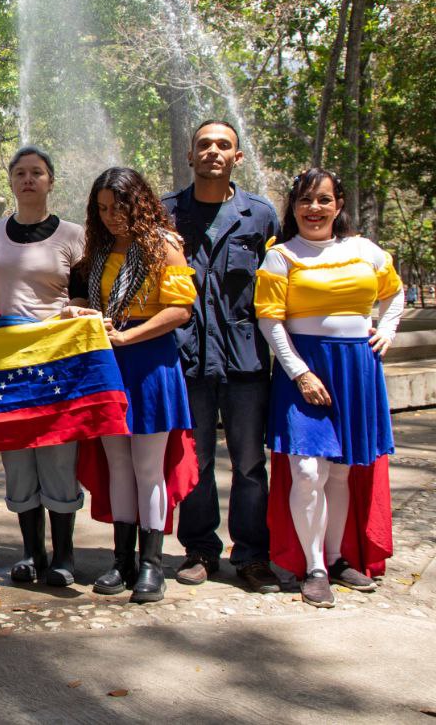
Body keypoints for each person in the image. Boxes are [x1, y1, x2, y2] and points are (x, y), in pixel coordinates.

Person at [256, 168, 402, 608]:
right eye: (304, 200)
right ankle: (314, 566)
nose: (313, 208)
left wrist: (388, 330)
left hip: (357, 368)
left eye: (323, 200)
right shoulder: (281, 255)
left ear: (339, 204)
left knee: (340, 471)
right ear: (293, 207)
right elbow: (270, 320)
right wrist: (299, 371)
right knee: (306, 471)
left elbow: (393, 293)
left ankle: (339, 558)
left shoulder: (365, 250)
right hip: (304, 370)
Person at [63, 167, 198, 603]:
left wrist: (127, 335)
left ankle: (152, 564)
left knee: (147, 468)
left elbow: (180, 310)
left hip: (149, 362)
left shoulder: (164, 246)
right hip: (108, 365)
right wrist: (78, 314)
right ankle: (121, 560)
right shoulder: (99, 250)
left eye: (117, 207)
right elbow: (88, 301)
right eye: (101, 209)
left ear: (137, 203)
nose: (109, 217)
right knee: (118, 465)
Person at [162, 120, 283, 593]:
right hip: (187, 356)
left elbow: (280, 286)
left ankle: (252, 554)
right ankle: (200, 549)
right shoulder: (167, 214)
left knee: (251, 462)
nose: (213, 151)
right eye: (204, 144)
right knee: (195, 458)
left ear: (238, 157)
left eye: (224, 145)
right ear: (190, 156)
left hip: (246, 358)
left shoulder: (261, 216)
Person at [0, 146, 85, 587]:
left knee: (58, 454)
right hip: (6, 363)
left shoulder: (75, 236)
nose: (27, 180)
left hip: (56, 360)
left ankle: (65, 555)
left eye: (36, 173)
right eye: (20, 173)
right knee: (18, 457)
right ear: (11, 181)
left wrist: (66, 315)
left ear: (50, 180)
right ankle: (30, 552)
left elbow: (82, 295)